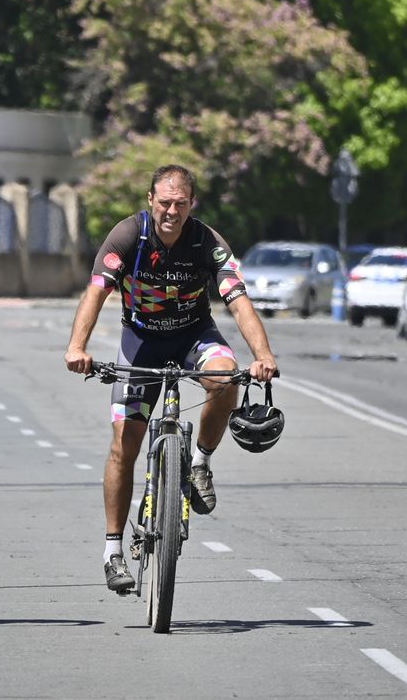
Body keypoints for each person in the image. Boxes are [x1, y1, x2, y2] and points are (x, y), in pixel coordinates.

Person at [63, 164, 278, 594]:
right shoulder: (127, 236)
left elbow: (238, 301)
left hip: (193, 337)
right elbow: (96, 293)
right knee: (124, 444)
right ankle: (112, 550)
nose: (172, 211)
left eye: (180, 204)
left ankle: (199, 463)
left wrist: (263, 355)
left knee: (225, 378)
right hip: (140, 342)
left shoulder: (207, 241)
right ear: (150, 200)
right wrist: (77, 347)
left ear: (191, 204)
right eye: (164, 202)